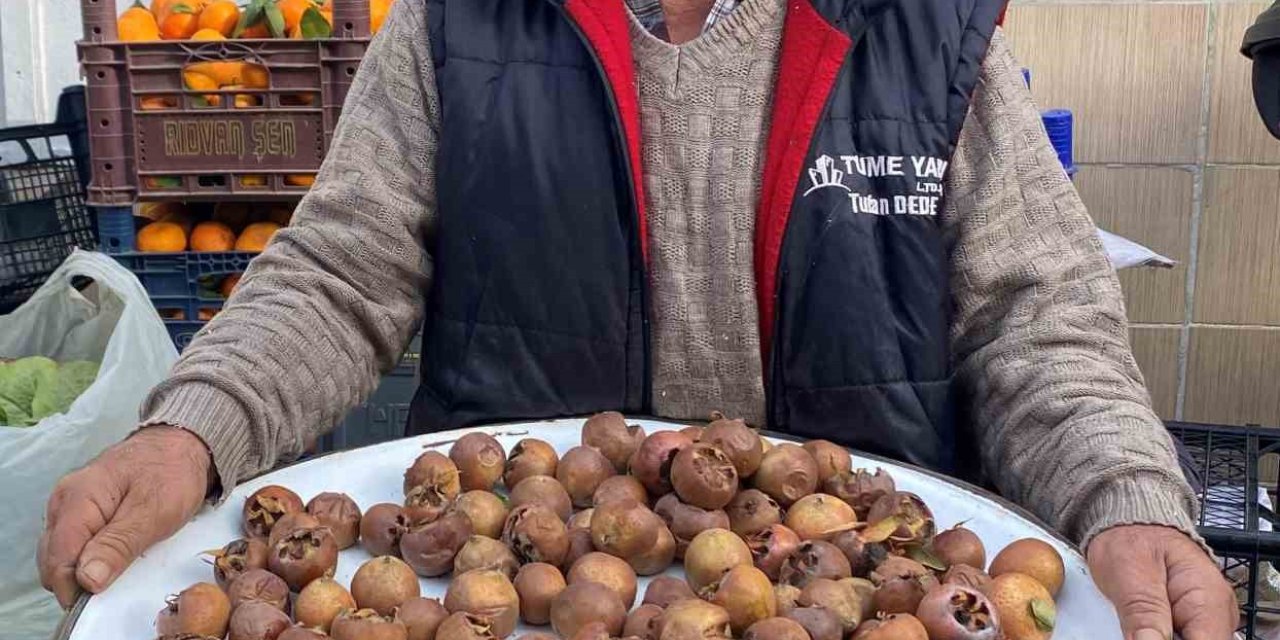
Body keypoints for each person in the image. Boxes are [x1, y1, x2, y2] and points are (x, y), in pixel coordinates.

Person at [40, 0, 1236, 637]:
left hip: (861, 595)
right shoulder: (461, 24)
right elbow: (338, 271)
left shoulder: (921, 31)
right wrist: (191, 429)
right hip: (509, 587)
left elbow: (1042, 320)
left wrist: (1125, 498)